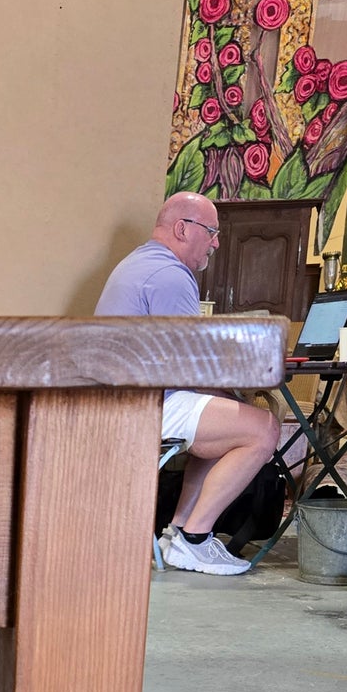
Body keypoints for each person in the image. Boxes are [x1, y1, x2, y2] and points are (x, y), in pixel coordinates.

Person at [96, 193, 279, 575]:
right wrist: (234, 393)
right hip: (144, 406)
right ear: (183, 228)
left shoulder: (139, 264)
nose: (216, 242)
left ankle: (178, 532)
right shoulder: (170, 275)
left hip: (122, 401)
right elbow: (192, 367)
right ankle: (196, 538)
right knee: (263, 428)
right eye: (211, 232)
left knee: (225, 426)